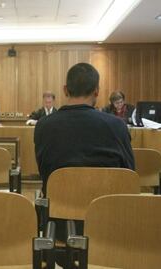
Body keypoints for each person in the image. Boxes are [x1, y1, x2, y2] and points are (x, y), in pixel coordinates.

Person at [34, 63, 135, 263]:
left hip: (60, 225)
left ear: (65, 90)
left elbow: (45, 172)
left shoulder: (44, 126)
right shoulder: (117, 125)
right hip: (109, 223)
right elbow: (130, 174)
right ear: (97, 91)